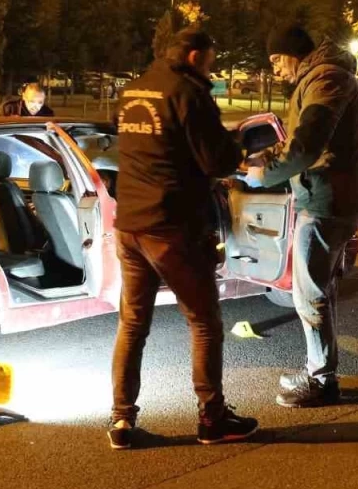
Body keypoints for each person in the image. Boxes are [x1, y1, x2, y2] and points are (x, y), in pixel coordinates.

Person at [108, 28, 258, 450]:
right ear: (195, 57)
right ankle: (213, 418)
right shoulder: (188, 93)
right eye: (210, 59)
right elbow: (217, 160)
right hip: (171, 226)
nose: (212, 66)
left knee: (133, 323)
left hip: (130, 225)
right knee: (204, 321)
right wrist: (235, 145)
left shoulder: (134, 90)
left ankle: (122, 421)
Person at [244, 23, 358, 408]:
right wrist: (264, 159)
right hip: (331, 197)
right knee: (320, 289)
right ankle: (322, 370)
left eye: (276, 60)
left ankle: (319, 380)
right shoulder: (324, 77)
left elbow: (305, 146)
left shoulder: (326, 79)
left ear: (292, 53)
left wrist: (262, 173)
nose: (276, 69)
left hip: (326, 203)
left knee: (310, 293)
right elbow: (301, 141)